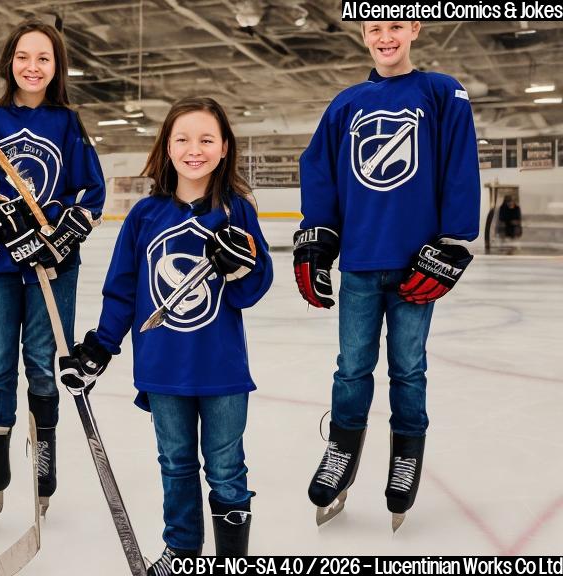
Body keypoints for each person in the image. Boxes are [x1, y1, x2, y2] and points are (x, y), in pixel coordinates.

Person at [60, 97, 272, 570]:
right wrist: (99, 348)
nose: (193, 149)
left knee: (225, 470)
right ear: (166, 147)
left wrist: (240, 268)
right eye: (182, 139)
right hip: (162, 371)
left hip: (221, 371)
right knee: (175, 465)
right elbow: (122, 293)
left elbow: (253, 290)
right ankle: (182, 550)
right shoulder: (144, 216)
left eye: (205, 139)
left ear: (223, 149)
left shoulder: (237, 212)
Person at [295, 21, 480, 531]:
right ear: (363, 36)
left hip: (416, 264)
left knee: (408, 369)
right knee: (351, 368)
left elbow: (460, 165)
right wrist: (317, 236)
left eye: (395, 25)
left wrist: (451, 240)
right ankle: (342, 449)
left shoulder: (442, 92)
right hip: (359, 264)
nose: (385, 36)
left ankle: (406, 453)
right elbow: (320, 171)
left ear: (415, 28)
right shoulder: (345, 103)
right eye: (374, 27)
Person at [0, 18, 106, 533]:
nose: (32, 67)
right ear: (10, 61)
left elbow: (92, 191)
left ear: (56, 68)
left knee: (42, 360)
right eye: (24, 57)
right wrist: (3, 229)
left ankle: (44, 452)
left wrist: (61, 235)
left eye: (44, 59)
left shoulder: (69, 123)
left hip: (54, 265)